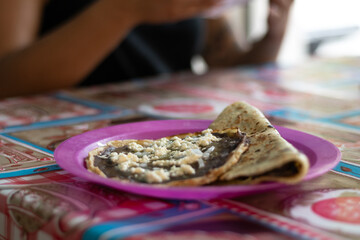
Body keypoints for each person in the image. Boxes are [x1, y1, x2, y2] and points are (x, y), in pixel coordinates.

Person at [0, 0, 293, 98]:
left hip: (170, 142)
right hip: (62, 145)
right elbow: (7, 82)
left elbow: (226, 62)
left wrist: (273, 36)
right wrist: (123, 10)